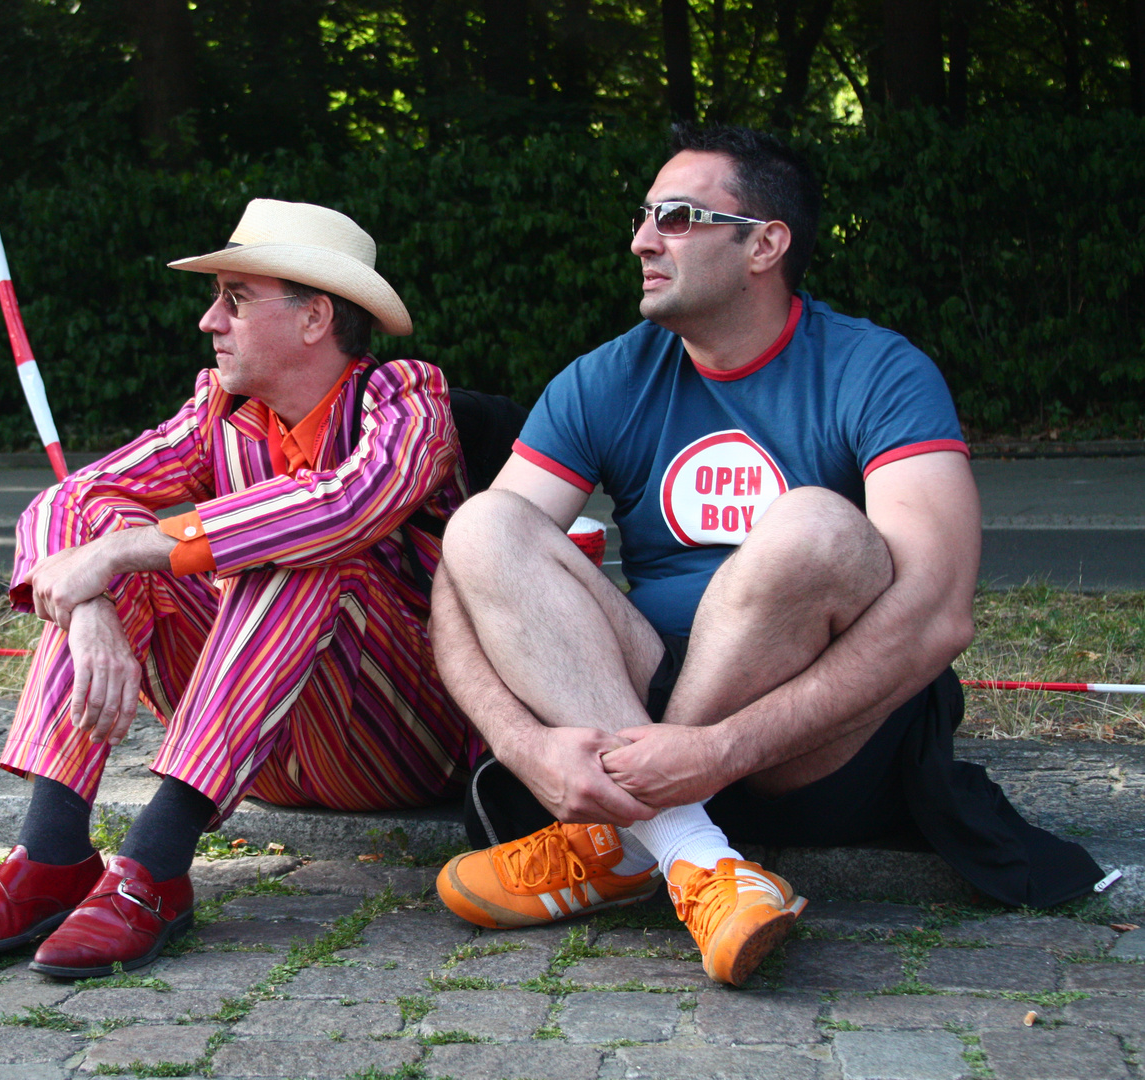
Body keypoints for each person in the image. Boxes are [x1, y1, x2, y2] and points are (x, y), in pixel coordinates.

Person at [428, 125, 1101, 988]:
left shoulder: (878, 370)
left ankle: (630, 843)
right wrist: (525, 748)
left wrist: (714, 751)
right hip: (643, 706)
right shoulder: (605, 379)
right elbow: (465, 577)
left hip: (810, 740)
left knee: (814, 526)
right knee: (482, 525)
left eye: (675, 217)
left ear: (765, 244)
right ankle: (690, 854)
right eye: (642, 216)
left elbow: (938, 610)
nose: (641, 239)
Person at [0, 199, 480, 977]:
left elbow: (346, 507)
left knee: (302, 547)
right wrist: (91, 608)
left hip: (400, 740)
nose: (209, 321)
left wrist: (123, 552)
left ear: (315, 317)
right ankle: (51, 851)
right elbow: (69, 499)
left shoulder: (409, 402)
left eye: (235, 300)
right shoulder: (219, 410)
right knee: (100, 532)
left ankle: (155, 866)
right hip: (261, 749)